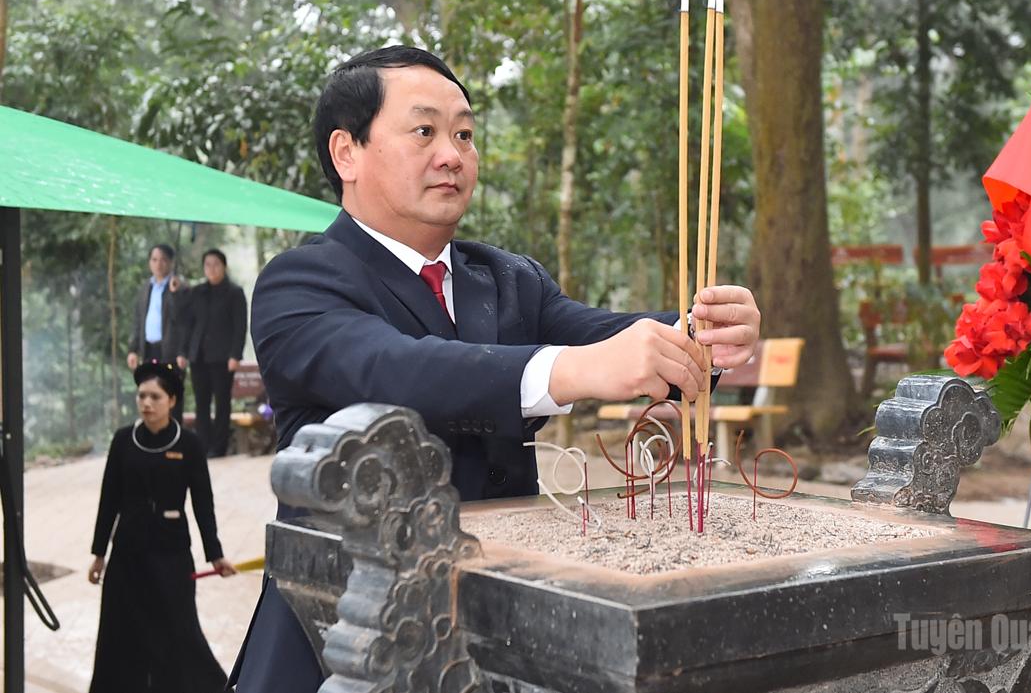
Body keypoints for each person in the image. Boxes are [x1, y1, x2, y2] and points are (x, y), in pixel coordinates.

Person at [229, 45, 761, 691]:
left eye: (464, 134)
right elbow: (397, 369)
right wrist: (573, 371)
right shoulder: (299, 283)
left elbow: (605, 335)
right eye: (424, 131)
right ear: (348, 152)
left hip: (500, 632)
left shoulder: (506, 278)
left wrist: (699, 335)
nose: (452, 154)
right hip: (346, 634)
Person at [88, 361, 236, 693]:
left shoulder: (189, 444)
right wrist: (99, 554)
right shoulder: (123, 440)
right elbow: (109, 499)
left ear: (171, 401)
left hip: (171, 553)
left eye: (155, 397)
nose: (146, 403)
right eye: (141, 396)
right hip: (127, 553)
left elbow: (203, 504)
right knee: (120, 629)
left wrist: (215, 555)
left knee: (179, 629)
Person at [177, 249, 248, 458]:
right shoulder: (196, 292)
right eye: (207, 264)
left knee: (222, 403)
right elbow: (187, 324)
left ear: (224, 266)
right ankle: (202, 445)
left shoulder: (234, 292)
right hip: (198, 356)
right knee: (201, 403)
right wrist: (183, 351)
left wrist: (235, 355)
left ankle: (219, 447)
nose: (212, 269)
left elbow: (240, 326)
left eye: (216, 264)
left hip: (223, 357)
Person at [127, 244, 187, 423]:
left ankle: (175, 434)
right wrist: (133, 349)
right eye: (154, 260)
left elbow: (183, 320)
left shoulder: (179, 287)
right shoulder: (146, 287)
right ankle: (152, 433)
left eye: (163, 260)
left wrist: (175, 293)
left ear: (171, 262)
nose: (158, 264)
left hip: (170, 352)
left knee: (171, 395)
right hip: (149, 349)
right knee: (150, 394)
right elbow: (138, 320)